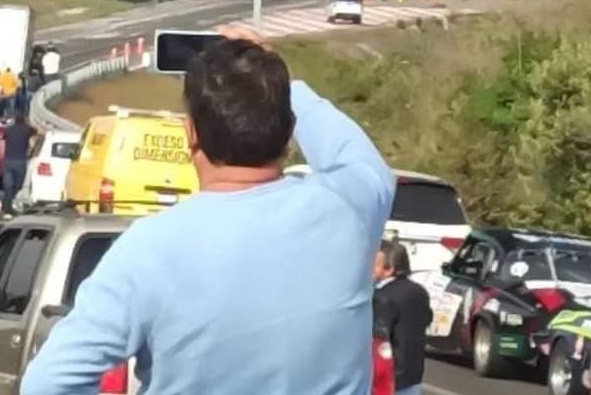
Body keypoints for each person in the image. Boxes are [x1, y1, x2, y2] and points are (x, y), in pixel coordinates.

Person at [21, 26, 395, 395]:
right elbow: (364, 163)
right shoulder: (348, 207)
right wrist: (286, 88)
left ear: (191, 134)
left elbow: (48, 384)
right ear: (288, 127)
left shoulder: (150, 248)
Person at [373, 240, 433, 395]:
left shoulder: (382, 298)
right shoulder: (419, 291)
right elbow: (427, 319)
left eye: (373, 264)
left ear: (389, 269)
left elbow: (377, 337)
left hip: (386, 377)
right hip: (412, 374)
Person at [0, 110, 38, 218]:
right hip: (20, 162)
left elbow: (2, 139)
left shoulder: (8, 130)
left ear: (15, 120)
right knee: (18, 186)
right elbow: (36, 131)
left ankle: (6, 206)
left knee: (8, 186)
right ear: (25, 120)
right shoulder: (27, 130)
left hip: (8, 161)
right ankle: (7, 207)